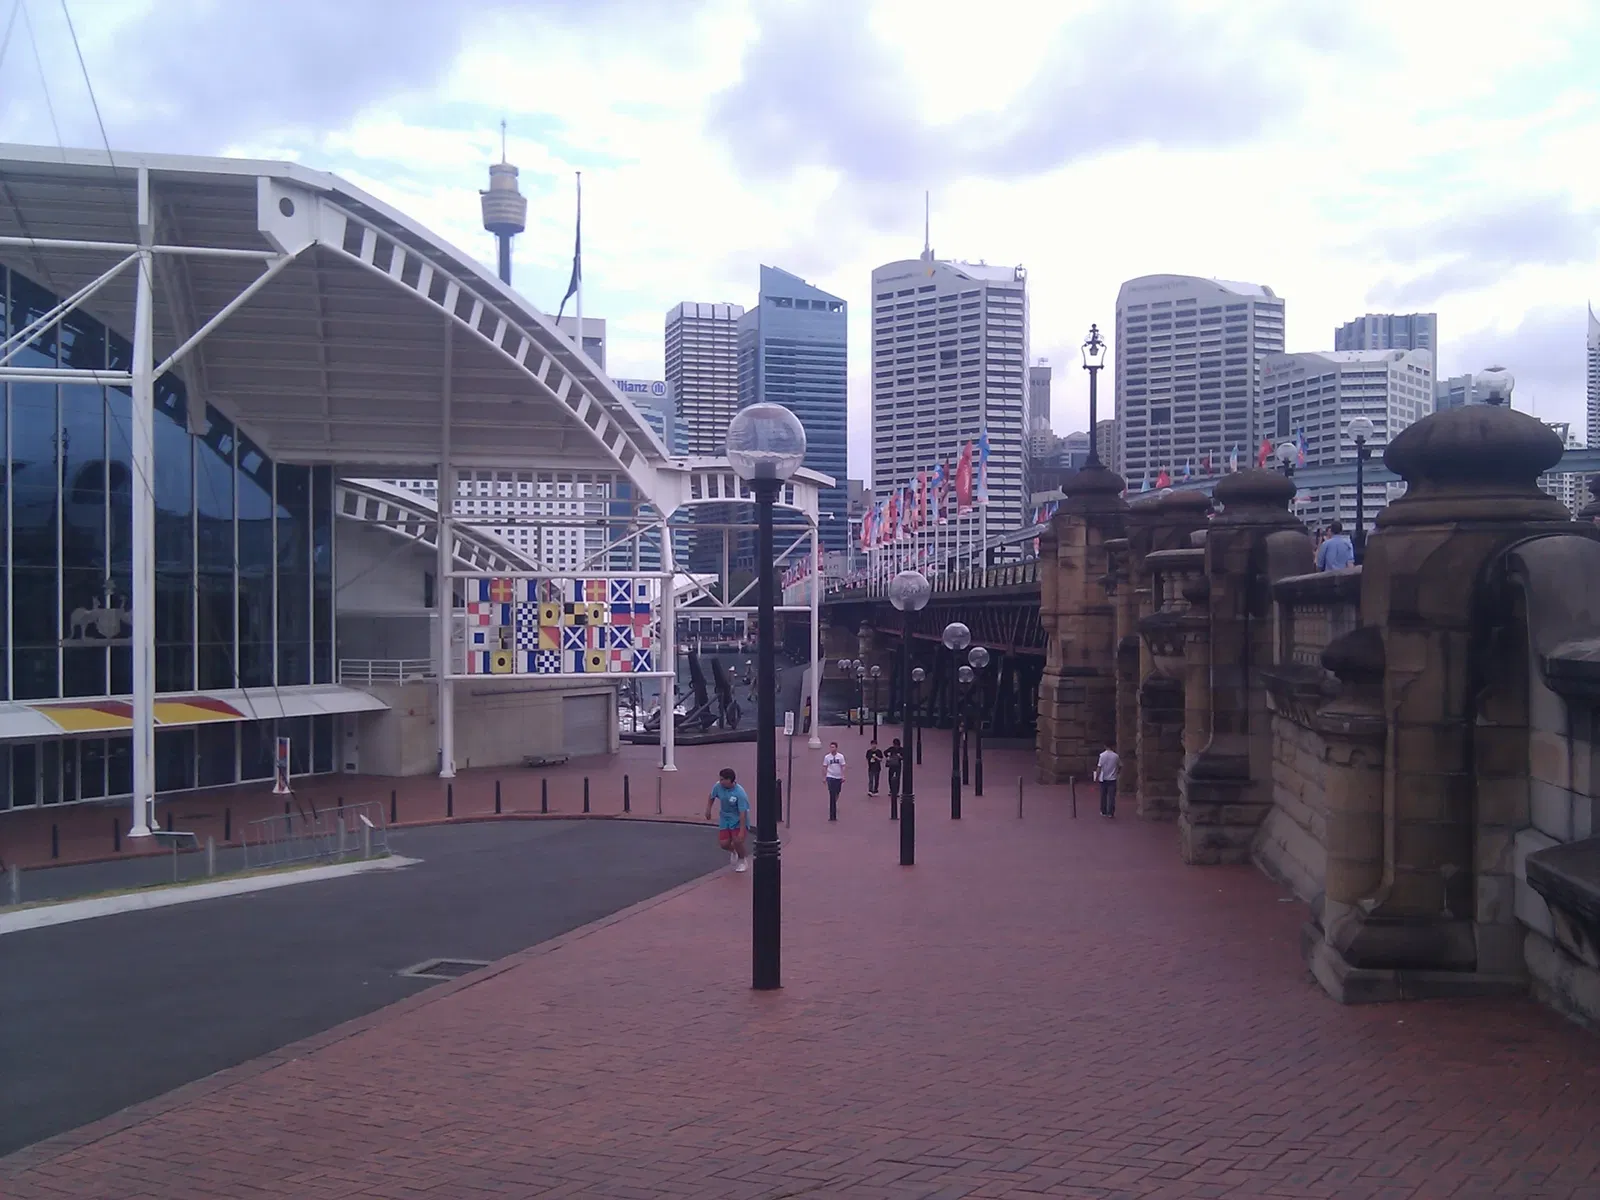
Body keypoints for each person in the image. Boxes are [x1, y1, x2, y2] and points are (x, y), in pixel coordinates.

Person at [704, 767, 750, 872]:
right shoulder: (718, 786)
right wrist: (708, 809)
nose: (720, 782)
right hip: (725, 818)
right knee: (724, 844)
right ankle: (733, 851)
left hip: (737, 819)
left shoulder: (740, 793)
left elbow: (743, 813)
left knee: (737, 841)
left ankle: (742, 860)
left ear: (729, 780)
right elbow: (712, 796)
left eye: (722, 779)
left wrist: (742, 831)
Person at [1094, 739, 1121, 818]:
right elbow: (1120, 766)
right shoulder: (1116, 756)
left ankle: (1103, 810)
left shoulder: (1102, 755)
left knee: (1103, 795)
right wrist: (1117, 772)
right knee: (1111, 796)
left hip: (1103, 778)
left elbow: (1099, 767)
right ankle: (1111, 812)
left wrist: (1096, 776)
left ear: (1105, 746)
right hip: (1112, 778)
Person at [822, 742, 846, 809]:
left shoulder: (841, 756)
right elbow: (824, 767)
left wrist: (843, 775)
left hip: (838, 776)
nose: (832, 749)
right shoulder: (827, 757)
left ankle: (834, 802)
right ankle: (832, 804)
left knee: (837, 791)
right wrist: (824, 777)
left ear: (836, 748)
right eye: (831, 747)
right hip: (830, 776)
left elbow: (843, 766)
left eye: (833, 747)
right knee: (831, 791)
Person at [884, 738, 904, 802]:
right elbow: (885, 752)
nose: (895, 746)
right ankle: (891, 790)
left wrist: (900, 757)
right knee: (890, 777)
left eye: (896, 745)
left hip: (898, 765)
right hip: (892, 765)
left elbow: (904, 756)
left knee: (897, 778)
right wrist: (888, 756)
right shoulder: (891, 749)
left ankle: (896, 791)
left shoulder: (901, 749)